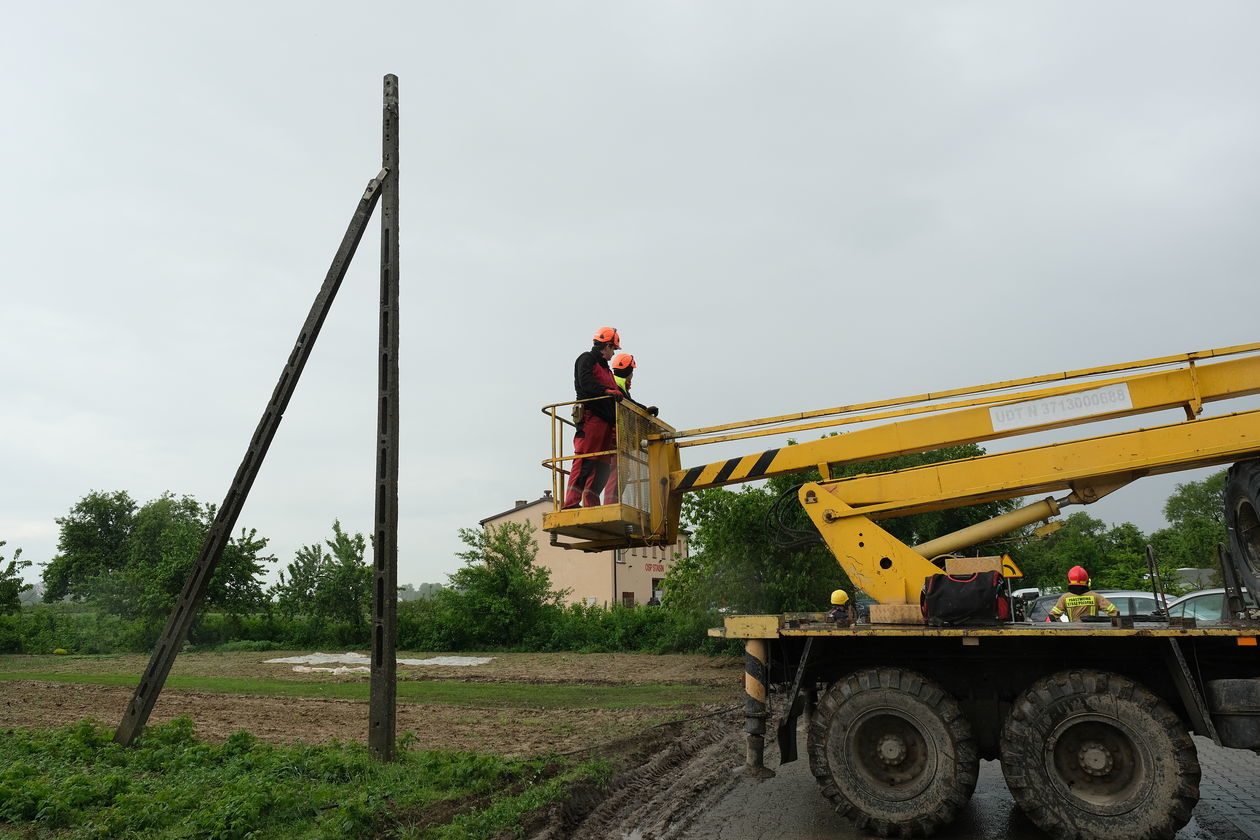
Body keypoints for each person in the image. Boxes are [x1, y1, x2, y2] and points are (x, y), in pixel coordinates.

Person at [562, 327, 623, 509]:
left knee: (602, 466)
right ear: (606, 346)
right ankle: (571, 502)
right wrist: (605, 391)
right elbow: (585, 382)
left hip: (606, 423)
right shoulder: (586, 359)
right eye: (613, 349)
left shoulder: (606, 370)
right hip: (590, 418)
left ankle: (592, 504)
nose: (613, 354)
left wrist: (643, 409)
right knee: (585, 459)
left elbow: (620, 395)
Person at [1045, 566, 1120, 622]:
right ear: (1087, 581)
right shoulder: (1096, 597)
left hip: (1074, 633)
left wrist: (1063, 628)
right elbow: (1115, 613)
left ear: (1069, 581)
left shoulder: (1064, 598)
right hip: (1093, 632)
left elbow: (1052, 616)